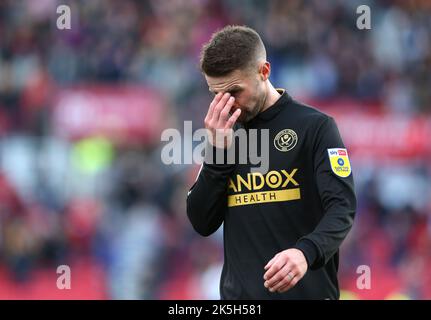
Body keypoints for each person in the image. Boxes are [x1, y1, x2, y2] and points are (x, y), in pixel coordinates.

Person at [186, 25, 356, 299]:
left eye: (234, 91)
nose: (226, 104)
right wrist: (218, 153)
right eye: (215, 94)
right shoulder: (224, 136)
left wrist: (305, 252)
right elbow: (202, 222)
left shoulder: (315, 127)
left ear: (264, 71)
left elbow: (342, 208)